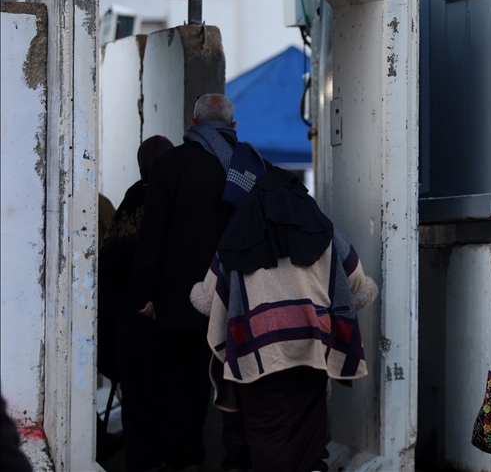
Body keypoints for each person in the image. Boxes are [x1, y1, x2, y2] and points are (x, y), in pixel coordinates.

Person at [190, 161, 378, 472]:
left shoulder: (236, 233)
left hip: (257, 353)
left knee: (266, 430)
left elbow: (207, 301)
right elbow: (360, 285)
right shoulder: (322, 228)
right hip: (312, 347)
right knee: (309, 424)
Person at [132, 93, 248, 472]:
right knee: (235, 378)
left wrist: (145, 293)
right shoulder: (247, 165)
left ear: (192, 124)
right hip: (235, 298)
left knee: (179, 386)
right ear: (233, 128)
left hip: (179, 299)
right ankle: (238, 459)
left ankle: (186, 463)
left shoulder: (169, 165)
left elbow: (153, 235)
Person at [99, 135, 174, 472]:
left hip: (127, 326)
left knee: (138, 407)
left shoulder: (129, 202)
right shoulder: (175, 198)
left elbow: (106, 268)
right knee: (172, 402)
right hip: (168, 323)